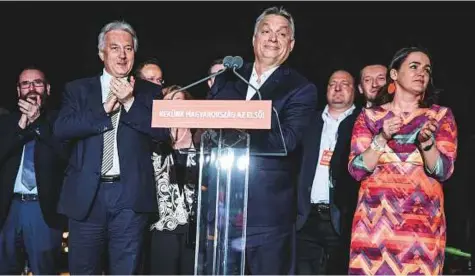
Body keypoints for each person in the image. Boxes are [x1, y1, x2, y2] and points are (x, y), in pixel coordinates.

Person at [209, 6, 318, 274]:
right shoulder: (227, 78)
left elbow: (287, 141)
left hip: (268, 216)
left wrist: (243, 124)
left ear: (290, 45)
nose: (272, 38)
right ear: (254, 38)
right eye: (266, 31)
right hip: (222, 207)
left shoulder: (300, 88)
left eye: (282, 34)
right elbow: (209, 127)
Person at [53, 20, 168, 274]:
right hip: (86, 199)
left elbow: (162, 132)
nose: (122, 54)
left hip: (129, 198)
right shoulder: (78, 90)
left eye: (128, 48)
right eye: (114, 48)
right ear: (101, 53)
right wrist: (104, 110)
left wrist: (129, 102)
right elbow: (62, 129)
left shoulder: (149, 92)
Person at [348, 46, 458, 275]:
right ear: (395, 74)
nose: (422, 74)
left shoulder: (440, 116)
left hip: (421, 232)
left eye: (426, 70)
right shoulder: (369, 117)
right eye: (414, 67)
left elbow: (443, 171)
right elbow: (357, 170)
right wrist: (382, 137)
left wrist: (427, 143)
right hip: (374, 230)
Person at [0, 66, 67, 274]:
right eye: (25, 84)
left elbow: (66, 156)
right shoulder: (6, 123)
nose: (31, 88)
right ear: (18, 90)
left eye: (37, 83)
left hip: (42, 212)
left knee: (44, 270)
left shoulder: (60, 121)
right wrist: (20, 128)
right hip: (9, 210)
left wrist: (38, 123)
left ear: (47, 88)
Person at [296, 70, 360, 275]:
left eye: (345, 84)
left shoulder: (363, 122)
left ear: (355, 90)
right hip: (306, 218)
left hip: (342, 218)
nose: (338, 88)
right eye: (333, 84)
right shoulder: (309, 121)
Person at [148, 85, 198, 275]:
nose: (174, 107)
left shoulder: (200, 136)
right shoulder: (154, 139)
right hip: (162, 224)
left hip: (194, 227)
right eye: (168, 103)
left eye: (179, 102)